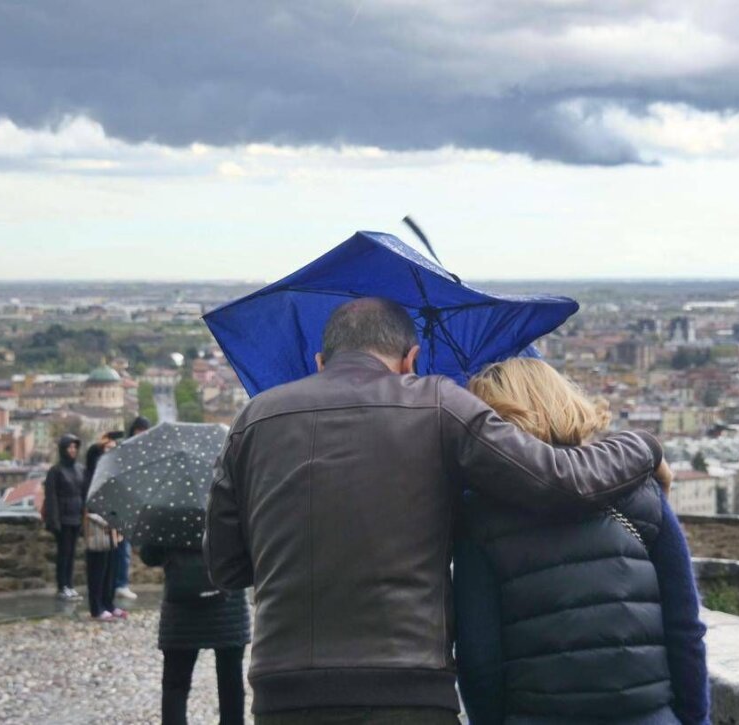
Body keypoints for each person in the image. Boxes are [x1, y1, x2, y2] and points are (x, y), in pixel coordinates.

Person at [205, 297, 672, 724]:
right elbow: (562, 480)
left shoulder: (254, 419)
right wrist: (644, 446)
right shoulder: (438, 403)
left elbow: (227, 567)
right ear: (410, 359)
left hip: (285, 691)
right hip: (408, 688)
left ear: (320, 362)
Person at [455, 358, 709, 725]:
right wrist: (693, 719)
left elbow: (479, 655)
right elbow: (684, 628)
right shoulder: (642, 493)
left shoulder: (480, 514)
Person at [140, 543, 250, 725]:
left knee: (175, 684)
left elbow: (149, 555)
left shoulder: (169, 524)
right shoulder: (228, 521)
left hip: (180, 607)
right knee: (231, 681)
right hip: (228, 606)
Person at [83, 431, 128, 622]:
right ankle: (97, 607)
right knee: (98, 569)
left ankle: (108, 603)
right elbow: (89, 504)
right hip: (98, 526)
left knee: (111, 568)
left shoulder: (110, 474)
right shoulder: (91, 475)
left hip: (112, 527)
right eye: (108, 449)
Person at [43, 433, 85, 601]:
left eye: (75, 447)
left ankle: (69, 584)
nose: (72, 450)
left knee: (72, 553)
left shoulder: (79, 469)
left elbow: (83, 492)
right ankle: (62, 586)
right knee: (64, 553)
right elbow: (51, 497)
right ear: (63, 449)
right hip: (63, 518)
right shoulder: (56, 471)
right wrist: (54, 521)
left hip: (76, 516)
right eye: (69, 447)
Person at [114, 415, 152, 601]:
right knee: (122, 548)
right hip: (123, 504)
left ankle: (119, 583)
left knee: (123, 547)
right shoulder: (126, 451)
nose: (141, 433)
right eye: (139, 430)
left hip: (134, 504)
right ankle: (120, 584)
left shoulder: (146, 452)